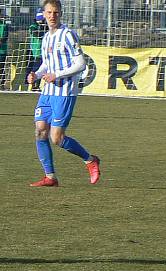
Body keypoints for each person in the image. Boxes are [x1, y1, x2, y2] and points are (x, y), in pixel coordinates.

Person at [27, 0, 100, 188]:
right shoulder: (45, 38)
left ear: (61, 14)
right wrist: (37, 74)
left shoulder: (68, 35)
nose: (52, 16)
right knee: (40, 130)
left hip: (64, 92)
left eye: (56, 12)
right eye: (49, 12)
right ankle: (50, 177)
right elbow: (47, 64)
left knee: (56, 138)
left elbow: (81, 64)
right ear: (43, 14)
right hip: (47, 92)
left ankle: (90, 160)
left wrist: (56, 74)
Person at [26, 10, 46, 92]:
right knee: (36, 68)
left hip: (44, 51)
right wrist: (43, 29)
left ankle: (37, 85)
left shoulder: (45, 26)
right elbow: (37, 34)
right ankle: (32, 84)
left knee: (41, 68)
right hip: (36, 51)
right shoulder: (33, 26)